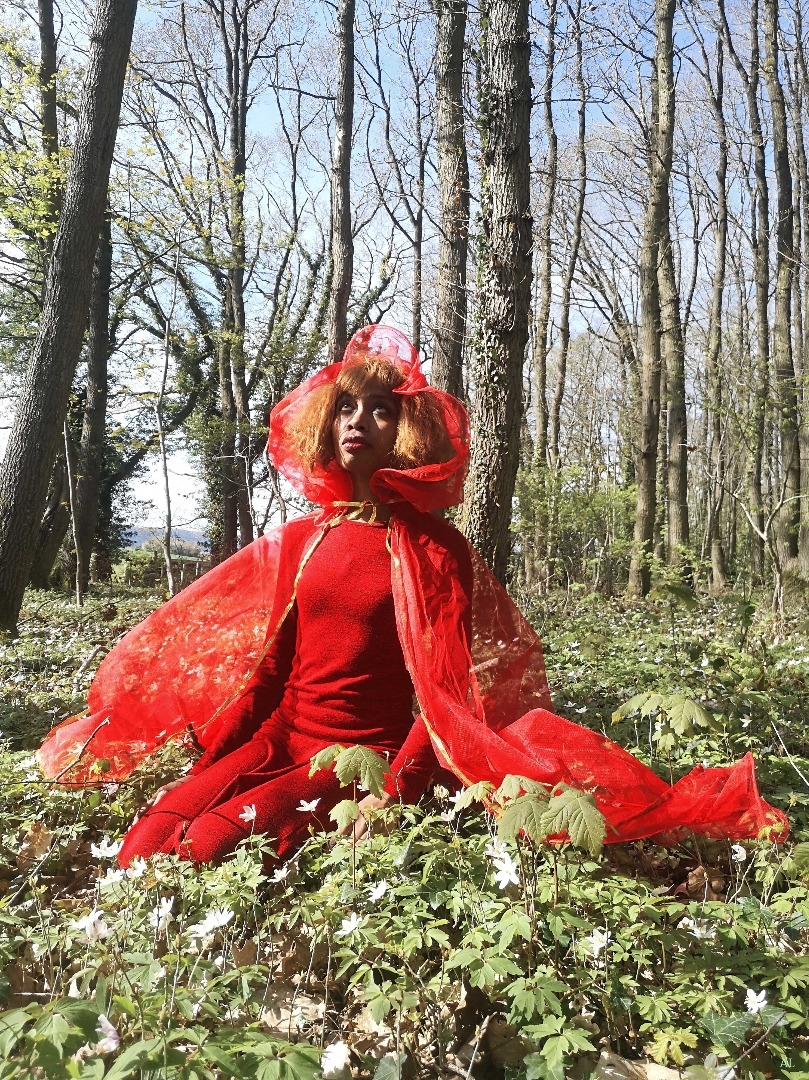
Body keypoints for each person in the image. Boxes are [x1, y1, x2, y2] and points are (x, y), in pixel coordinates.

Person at [37, 325, 788, 863]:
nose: (357, 421)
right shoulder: (304, 539)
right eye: (345, 408)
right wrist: (216, 758)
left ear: (407, 429)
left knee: (200, 847)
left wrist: (389, 794)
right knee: (143, 843)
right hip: (280, 739)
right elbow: (270, 671)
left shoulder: (432, 549)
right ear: (325, 424)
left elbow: (444, 700)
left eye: (379, 409)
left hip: (357, 761)